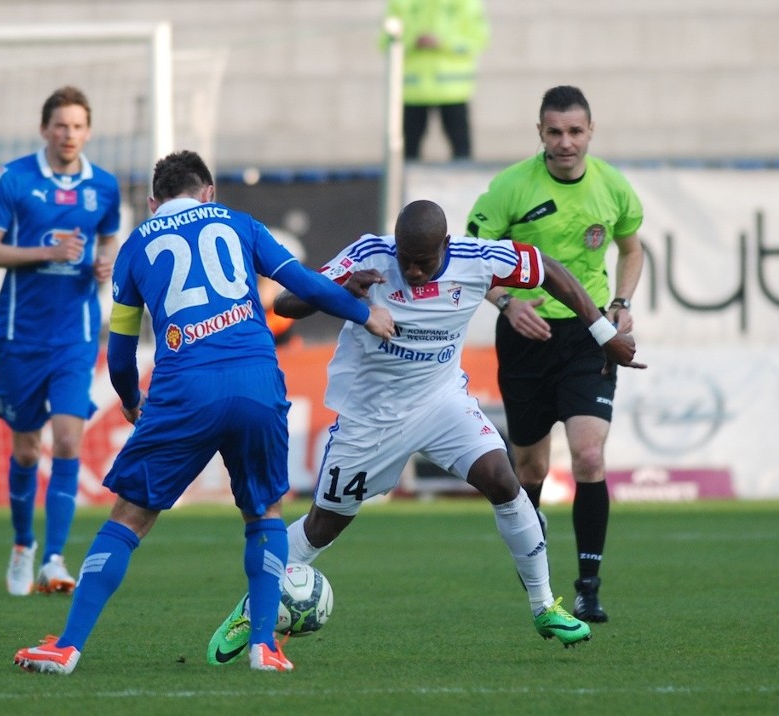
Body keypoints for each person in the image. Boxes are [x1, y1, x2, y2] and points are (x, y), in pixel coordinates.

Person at [207, 199, 646, 666]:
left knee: (503, 479)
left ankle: (545, 606)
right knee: (323, 525)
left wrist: (602, 332)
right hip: (371, 417)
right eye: (405, 259)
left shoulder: (478, 259)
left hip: (441, 403)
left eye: (424, 261)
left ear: (445, 246)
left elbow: (550, 270)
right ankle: (252, 607)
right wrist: (343, 291)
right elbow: (287, 303)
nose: (412, 271)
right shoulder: (370, 254)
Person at [12, 150, 395, 675]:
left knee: (130, 517)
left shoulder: (134, 247)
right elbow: (301, 282)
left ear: (152, 202)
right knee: (264, 512)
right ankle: (264, 645)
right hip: (258, 381)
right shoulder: (239, 223)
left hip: (185, 388)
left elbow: (121, 350)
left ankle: (67, 646)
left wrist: (129, 400)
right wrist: (363, 312)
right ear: (208, 192)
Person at [465, 85, 646, 623]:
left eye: (574, 132)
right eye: (554, 132)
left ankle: (589, 585)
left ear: (591, 131)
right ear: (539, 134)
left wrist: (620, 302)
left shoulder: (612, 187)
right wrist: (505, 302)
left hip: (588, 335)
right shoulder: (510, 187)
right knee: (530, 465)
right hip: (527, 336)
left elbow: (631, 247)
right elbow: (471, 255)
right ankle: (536, 578)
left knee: (589, 455)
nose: (565, 143)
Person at [0, 86, 121, 597]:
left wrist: (106, 265)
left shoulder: (103, 186)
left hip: (75, 336)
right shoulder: (13, 179)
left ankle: (54, 560)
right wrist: (44, 250)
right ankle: (22, 545)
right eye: (61, 125)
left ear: (88, 131)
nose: (69, 134)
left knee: (67, 440)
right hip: (21, 334)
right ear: (44, 129)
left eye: (78, 126)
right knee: (25, 451)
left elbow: (107, 242)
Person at [383, 0, 490, 160]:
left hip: (452, 90)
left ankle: (463, 184)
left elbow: (478, 39)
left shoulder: (466, 3)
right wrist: (413, 41)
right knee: (408, 151)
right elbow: (385, 40)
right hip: (414, 90)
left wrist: (443, 42)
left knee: (460, 149)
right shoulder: (400, 3)